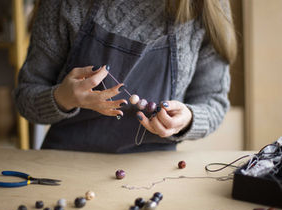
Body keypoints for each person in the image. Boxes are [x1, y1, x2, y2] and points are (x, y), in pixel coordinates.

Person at [13, 0, 237, 153]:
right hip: (65, 168)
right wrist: (62, 98)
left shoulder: (204, 6)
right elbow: (25, 98)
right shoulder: (65, 4)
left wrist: (187, 119)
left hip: (152, 178)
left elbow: (213, 102)